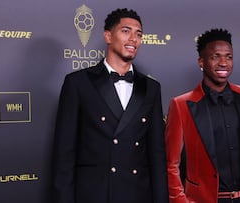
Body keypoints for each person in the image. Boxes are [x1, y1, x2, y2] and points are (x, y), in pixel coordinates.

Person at [52, 8, 169, 203]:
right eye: (126, 31)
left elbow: (157, 155)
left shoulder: (151, 88)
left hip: (138, 195)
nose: (133, 38)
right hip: (94, 195)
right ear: (108, 36)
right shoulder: (78, 83)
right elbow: (64, 155)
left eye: (138, 34)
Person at [165, 28, 240, 203]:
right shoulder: (181, 105)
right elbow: (171, 165)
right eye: (215, 56)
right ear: (201, 61)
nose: (223, 63)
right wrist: (180, 200)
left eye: (228, 57)